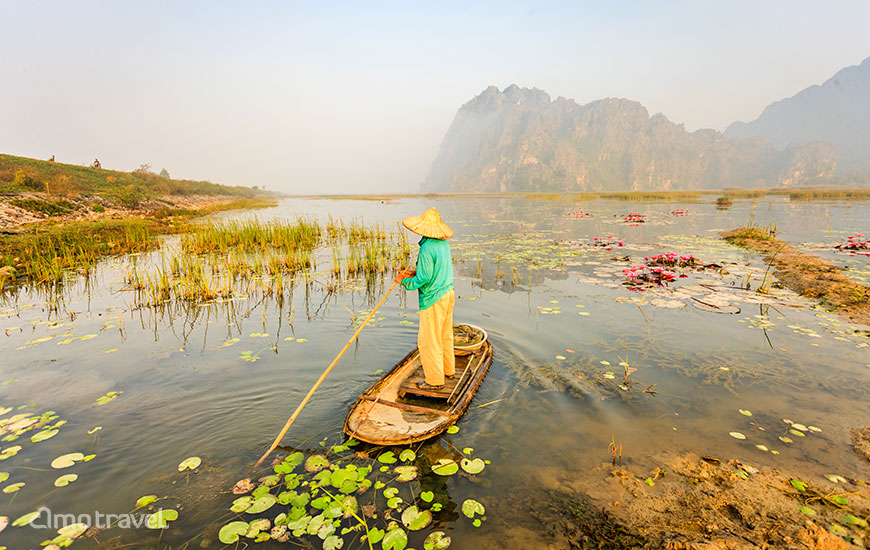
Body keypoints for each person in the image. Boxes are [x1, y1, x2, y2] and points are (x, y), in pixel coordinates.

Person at [394, 208, 455, 390]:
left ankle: (434, 381)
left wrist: (403, 282)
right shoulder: (443, 244)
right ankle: (448, 370)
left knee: (429, 340)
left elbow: (424, 279)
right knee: (445, 335)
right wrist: (411, 273)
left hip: (433, 298)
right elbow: (436, 271)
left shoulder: (427, 248)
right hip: (447, 294)